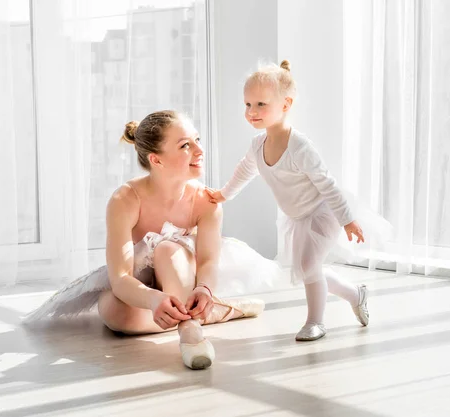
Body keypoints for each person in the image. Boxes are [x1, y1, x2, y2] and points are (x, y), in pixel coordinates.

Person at [24, 110, 283, 370]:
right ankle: (211, 313)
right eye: (185, 145)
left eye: (197, 139)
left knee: (168, 249)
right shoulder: (125, 199)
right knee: (115, 315)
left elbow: (207, 261)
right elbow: (121, 277)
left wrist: (204, 288)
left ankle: (191, 330)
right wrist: (151, 300)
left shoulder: (206, 201)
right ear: (156, 160)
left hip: (183, 274)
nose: (199, 149)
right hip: (144, 281)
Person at [207, 61, 392, 342]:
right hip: (296, 216)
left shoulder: (300, 147)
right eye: (247, 105)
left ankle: (315, 322)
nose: (252, 112)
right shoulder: (258, 145)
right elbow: (245, 170)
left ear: (285, 104)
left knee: (308, 266)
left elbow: (327, 184)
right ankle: (356, 294)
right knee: (309, 269)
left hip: (323, 213)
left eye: (260, 104)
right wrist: (223, 194)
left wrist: (347, 220)